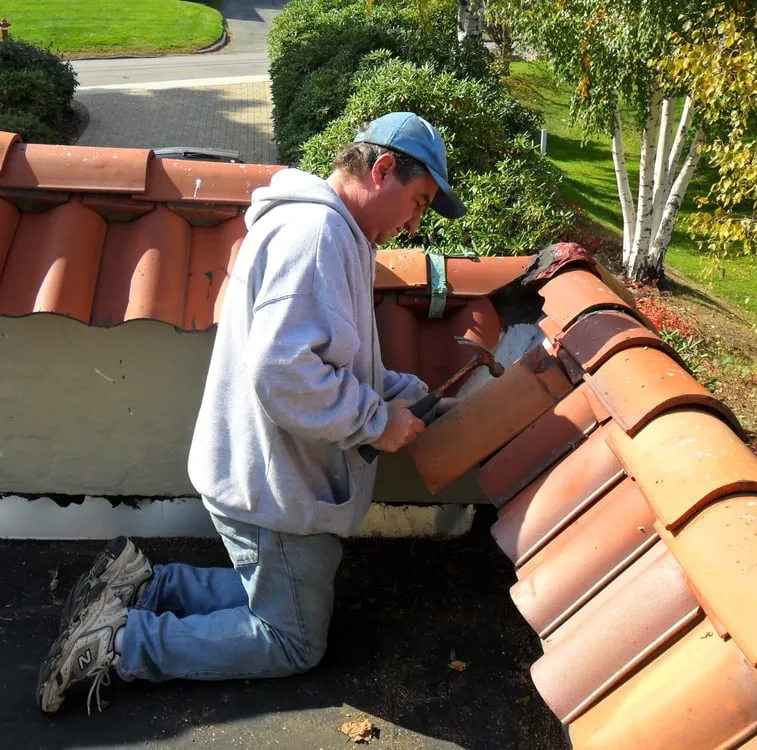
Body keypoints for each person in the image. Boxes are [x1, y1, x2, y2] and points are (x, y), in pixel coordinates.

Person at [36, 112, 467, 715]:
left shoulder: (324, 230)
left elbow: (331, 360)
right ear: (383, 168)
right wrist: (376, 421)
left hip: (265, 472)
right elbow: (285, 373)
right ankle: (117, 645)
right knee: (291, 640)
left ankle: (140, 585)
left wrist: (404, 395)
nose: (415, 222)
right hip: (275, 487)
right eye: (418, 201)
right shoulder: (318, 236)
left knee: (277, 589)